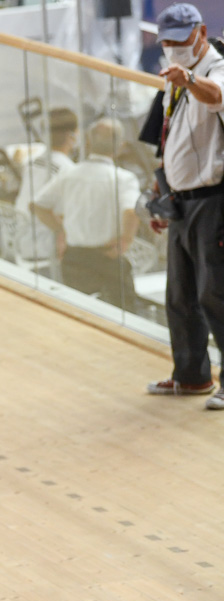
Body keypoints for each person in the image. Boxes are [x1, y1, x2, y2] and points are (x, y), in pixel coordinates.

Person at [143, 3, 224, 407]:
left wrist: (189, 77)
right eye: (166, 43)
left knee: (218, 294)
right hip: (182, 201)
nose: (173, 49)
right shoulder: (173, 78)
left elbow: (216, 96)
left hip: (214, 202)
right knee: (180, 295)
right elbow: (169, 138)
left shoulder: (212, 70)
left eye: (179, 41)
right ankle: (192, 376)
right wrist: (162, 193)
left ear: (201, 33)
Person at [30, 117, 142, 310]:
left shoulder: (70, 174)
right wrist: (125, 240)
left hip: (75, 258)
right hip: (108, 257)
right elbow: (131, 212)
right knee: (125, 312)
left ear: (88, 143)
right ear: (121, 146)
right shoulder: (124, 179)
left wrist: (61, 229)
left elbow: (38, 205)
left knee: (78, 310)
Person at [14, 108, 80, 262]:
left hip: (21, 240)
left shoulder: (32, 163)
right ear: (72, 137)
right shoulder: (68, 170)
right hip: (44, 245)